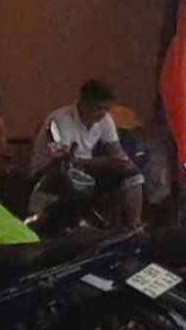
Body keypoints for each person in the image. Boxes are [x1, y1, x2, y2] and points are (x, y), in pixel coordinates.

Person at [34, 80, 144, 226]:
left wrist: (124, 162)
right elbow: (63, 160)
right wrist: (106, 162)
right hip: (49, 174)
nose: (103, 114)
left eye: (107, 109)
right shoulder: (59, 120)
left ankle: (134, 227)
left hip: (85, 172)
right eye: (98, 108)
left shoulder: (105, 120)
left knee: (133, 175)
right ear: (83, 103)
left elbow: (116, 150)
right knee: (70, 177)